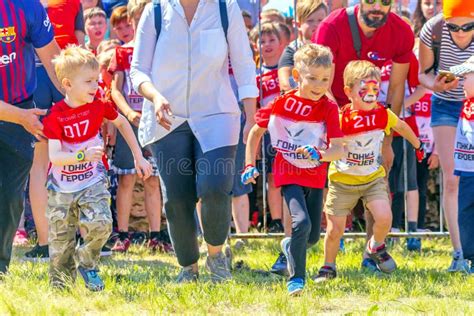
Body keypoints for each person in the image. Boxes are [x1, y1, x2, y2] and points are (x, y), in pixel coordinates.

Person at [130, 0, 258, 283]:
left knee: (214, 187)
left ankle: (216, 257)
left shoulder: (226, 8)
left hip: (217, 114)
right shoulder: (154, 11)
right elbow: (138, 70)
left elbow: (244, 63)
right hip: (167, 117)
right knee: (177, 199)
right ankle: (188, 266)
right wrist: (154, 96)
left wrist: (251, 117)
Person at [313, 0, 415, 271]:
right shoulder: (330, 27)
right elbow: (320, 82)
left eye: (385, 2)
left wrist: (386, 141)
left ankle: (371, 255)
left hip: (372, 123)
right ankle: (302, 248)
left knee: (376, 180)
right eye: (371, 0)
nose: (377, 7)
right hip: (330, 115)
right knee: (326, 186)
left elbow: (395, 90)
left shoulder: (402, 31)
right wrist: (338, 129)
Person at [42, 46, 152, 291]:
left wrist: (138, 156)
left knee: (102, 223)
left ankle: (88, 263)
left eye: (97, 80)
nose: (96, 86)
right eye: (89, 81)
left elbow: (122, 123)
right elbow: (55, 156)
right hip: (61, 186)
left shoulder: (99, 105)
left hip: (93, 178)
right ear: (68, 84)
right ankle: (61, 288)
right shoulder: (56, 115)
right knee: (61, 241)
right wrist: (81, 154)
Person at [243, 44, 344, 296]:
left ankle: (290, 247)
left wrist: (319, 154)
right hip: (288, 172)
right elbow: (255, 133)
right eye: (312, 78)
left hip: (315, 174)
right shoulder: (281, 103)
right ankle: (296, 279)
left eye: (325, 79)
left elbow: (338, 149)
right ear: (297, 77)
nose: (319, 85)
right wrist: (248, 165)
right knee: (300, 223)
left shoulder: (329, 108)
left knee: (309, 237)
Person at [314, 60, 425, 282]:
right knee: (335, 230)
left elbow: (401, 127)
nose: (371, 94)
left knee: (385, 217)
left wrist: (418, 145)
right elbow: (325, 141)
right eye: (364, 89)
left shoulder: (383, 114)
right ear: (349, 91)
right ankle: (328, 266)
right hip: (342, 181)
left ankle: (376, 245)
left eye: (375, 89)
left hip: (372, 179)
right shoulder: (340, 118)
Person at [0, 0, 61, 275]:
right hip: (20, 115)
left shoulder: (26, 6)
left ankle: (0, 267)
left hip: (22, 109)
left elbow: (53, 59)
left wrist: (79, 104)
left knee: (10, 196)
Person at [26, 0, 86, 262]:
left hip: (34, 79)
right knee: (76, 159)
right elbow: (80, 48)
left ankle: (45, 241)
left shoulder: (23, 5)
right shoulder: (73, 3)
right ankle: (85, 234)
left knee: (39, 165)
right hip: (66, 79)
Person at [109, 0, 170, 253]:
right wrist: (128, 113)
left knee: (153, 180)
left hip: (154, 121)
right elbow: (115, 90)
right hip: (130, 122)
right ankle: (122, 235)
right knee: (126, 178)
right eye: (136, 20)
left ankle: (156, 235)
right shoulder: (122, 52)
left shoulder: (163, 49)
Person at [418, 0, 474, 271]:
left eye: (468, 27)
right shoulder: (432, 29)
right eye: (454, 27)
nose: (461, 33)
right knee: (452, 179)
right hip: (446, 105)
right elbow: (423, 74)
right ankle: (459, 252)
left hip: (472, 104)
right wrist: (435, 84)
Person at [451, 56, 474, 274]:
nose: (461, 82)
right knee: (466, 213)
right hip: (467, 169)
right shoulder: (467, 104)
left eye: (465, 77)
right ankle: (471, 257)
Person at [279, 0, 328, 93]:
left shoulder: (331, 46)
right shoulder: (291, 51)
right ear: (298, 24)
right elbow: (285, 85)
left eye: (320, 20)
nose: (316, 24)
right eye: (310, 21)